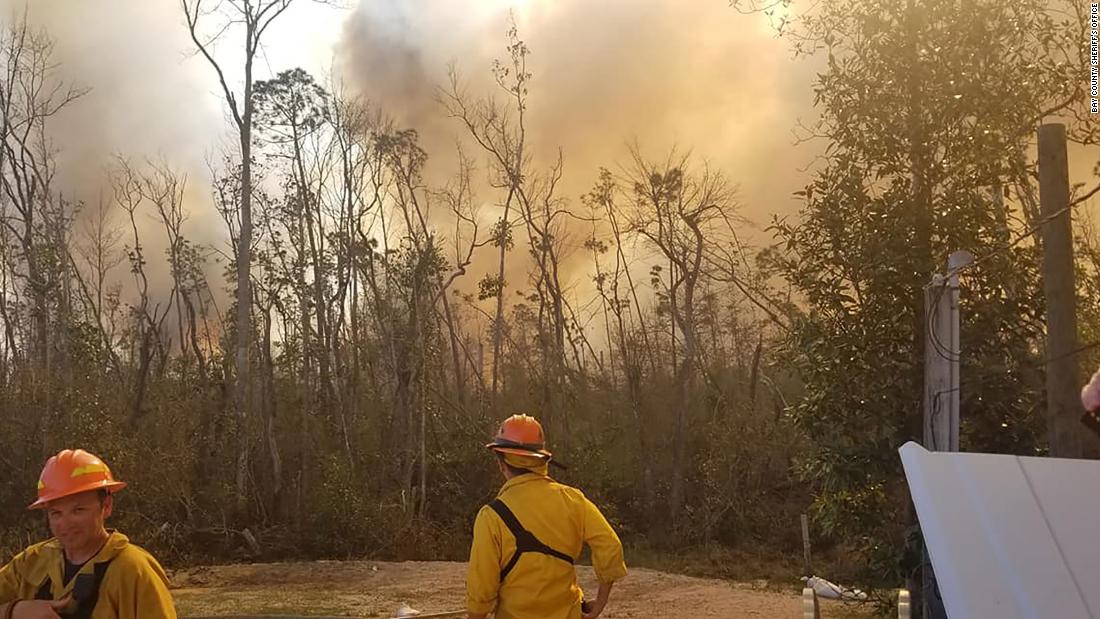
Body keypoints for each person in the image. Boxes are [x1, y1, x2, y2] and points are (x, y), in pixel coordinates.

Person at [465, 414, 627, 619]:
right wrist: (600, 602)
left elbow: (482, 585)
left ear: (501, 463)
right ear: (541, 460)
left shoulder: (491, 516)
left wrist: (476, 615)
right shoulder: (573, 500)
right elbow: (610, 545)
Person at [0, 449, 177, 619]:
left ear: (106, 506)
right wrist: (13, 611)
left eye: (78, 510)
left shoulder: (134, 571)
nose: (65, 523)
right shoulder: (31, 562)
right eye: (56, 513)